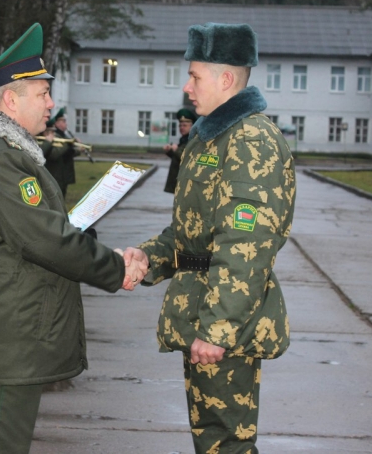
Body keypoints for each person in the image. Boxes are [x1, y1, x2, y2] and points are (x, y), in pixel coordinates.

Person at [0, 23, 145, 454]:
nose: (51, 104)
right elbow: (45, 240)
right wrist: (116, 268)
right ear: (11, 100)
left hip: (3, 334)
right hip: (4, 340)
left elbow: (36, 229)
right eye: (43, 93)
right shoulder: (0, 160)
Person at [123, 23, 296, 454]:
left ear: (226, 79)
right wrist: (148, 257)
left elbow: (245, 246)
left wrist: (218, 330)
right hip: (202, 312)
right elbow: (192, 232)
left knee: (226, 444)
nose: (187, 87)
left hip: (223, 323)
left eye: (194, 76)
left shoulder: (250, 140)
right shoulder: (211, 137)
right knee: (212, 441)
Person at [42, 107, 78, 197]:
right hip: (54, 174)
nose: (53, 134)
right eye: (51, 132)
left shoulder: (62, 136)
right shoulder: (47, 140)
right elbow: (54, 155)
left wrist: (77, 149)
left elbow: (68, 154)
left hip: (62, 173)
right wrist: (68, 144)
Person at [163, 108, 198, 194]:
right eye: (180, 125)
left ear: (192, 126)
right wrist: (170, 151)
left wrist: (176, 149)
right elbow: (178, 159)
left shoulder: (194, 140)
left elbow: (188, 158)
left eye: (185, 125)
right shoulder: (184, 139)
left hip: (186, 184)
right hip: (180, 183)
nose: (181, 128)